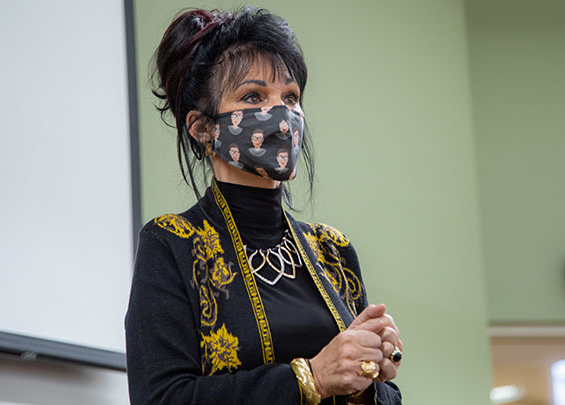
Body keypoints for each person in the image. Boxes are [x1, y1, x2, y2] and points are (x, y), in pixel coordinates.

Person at [125, 7, 402, 405]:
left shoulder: (333, 251)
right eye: (253, 96)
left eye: (291, 97)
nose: (282, 115)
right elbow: (163, 397)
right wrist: (312, 378)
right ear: (202, 128)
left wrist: (366, 378)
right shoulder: (171, 244)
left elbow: (385, 397)